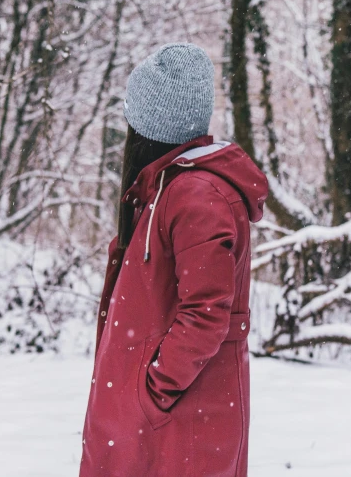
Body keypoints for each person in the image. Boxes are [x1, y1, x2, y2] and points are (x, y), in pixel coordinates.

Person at [79, 42, 268, 477]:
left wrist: (152, 392)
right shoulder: (168, 189)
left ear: (147, 125)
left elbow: (205, 313)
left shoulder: (197, 195)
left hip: (179, 422)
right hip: (161, 422)